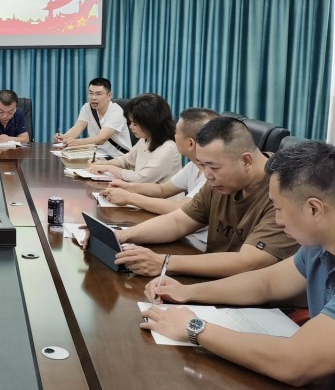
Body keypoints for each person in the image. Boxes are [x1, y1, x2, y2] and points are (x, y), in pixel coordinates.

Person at [141, 141, 335, 386]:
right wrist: (186, 291)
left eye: (278, 208)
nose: (278, 220)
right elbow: (266, 283)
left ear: (314, 209)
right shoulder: (318, 246)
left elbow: (294, 362)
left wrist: (194, 327)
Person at [113, 116, 298, 277]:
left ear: (246, 161)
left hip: (256, 299)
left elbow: (249, 262)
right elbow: (179, 222)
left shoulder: (284, 191)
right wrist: (122, 236)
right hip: (215, 279)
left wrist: (164, 262)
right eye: (202, 165)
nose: (207, 175)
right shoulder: (218, 183)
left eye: (214, 167)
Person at [101, 108, 218, 214]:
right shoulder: (193, 165)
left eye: (176, 132)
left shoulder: (211, 176)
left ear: (190, 143)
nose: (174, 135)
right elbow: (162, 190)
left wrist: (129, 197)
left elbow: (181, 209)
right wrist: (126, 186)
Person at [88, 93, 181, 183]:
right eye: (130, 122)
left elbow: (140, 179)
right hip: (140, 195)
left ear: (151, 123)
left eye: (135, 124)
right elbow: (127, 160)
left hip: (160, 198)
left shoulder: (168, 148)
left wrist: (109, 168)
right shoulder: (146, 139)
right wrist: (104, 164)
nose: (131, 127)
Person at [54, 77, 131, 158]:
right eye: (91, 93)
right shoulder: (87, 107)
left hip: (119, 157)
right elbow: (77, 129)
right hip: (97, 156)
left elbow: (101, 138)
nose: (93, 97)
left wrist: (77, 142)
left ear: (109, 96)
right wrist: (64, 137)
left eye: (98, 94)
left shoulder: (116, 111)